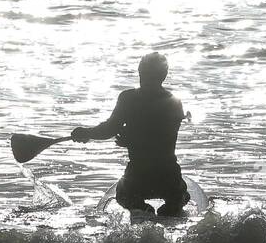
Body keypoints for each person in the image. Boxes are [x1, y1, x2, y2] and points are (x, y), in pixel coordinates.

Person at [71, 52, 189, 216]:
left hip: (139, 176)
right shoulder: (175, 102)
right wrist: (87, 133)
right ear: (164, 75)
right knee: (180, 198)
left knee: (125, 196)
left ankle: (145, 217)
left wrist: (89, 133)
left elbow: (109, 129)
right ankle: (166, 212)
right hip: (168, 176)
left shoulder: (128, 98)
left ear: (140, 71)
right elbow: (164, 138)